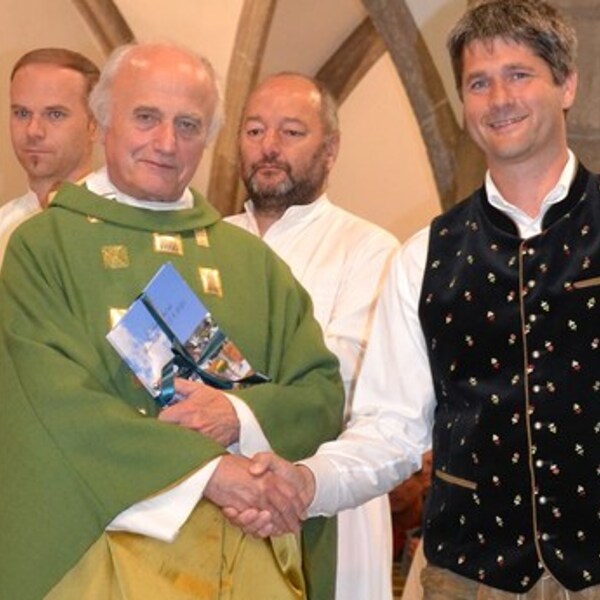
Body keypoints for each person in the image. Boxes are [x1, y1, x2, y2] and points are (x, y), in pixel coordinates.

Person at [227, 1, 600, 598]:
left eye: (519, 74)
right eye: (478, 83)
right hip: (470, 575)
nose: (499, 98)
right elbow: (391, 429)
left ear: (567, 85)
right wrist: (307, 482)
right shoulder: (425, 255)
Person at [0, 42, 344, 600]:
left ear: (209, 139)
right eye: (146, 117)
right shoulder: (43, 247)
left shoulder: (251, 261)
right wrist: (208, 473)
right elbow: (52, 402)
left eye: (188, 125)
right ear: (102, 122)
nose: (166, 143)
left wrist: (239, 417)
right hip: (99, 566)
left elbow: (321, 395)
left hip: (245, 560)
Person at [226, 72, 400, 600]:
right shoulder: (207, 240)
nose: (269, 146)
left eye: (291, 132)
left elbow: (340, 378)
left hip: (327, 493)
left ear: (331, 149)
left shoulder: (369, 249)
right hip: (217, 491)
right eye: (254, 130)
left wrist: (229, 406)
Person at [0, 47, 99, 263]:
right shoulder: (4, 225)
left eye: (55, 114)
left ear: (93, 124)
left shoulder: (122, 221)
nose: (33, 131)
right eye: (22, 113)